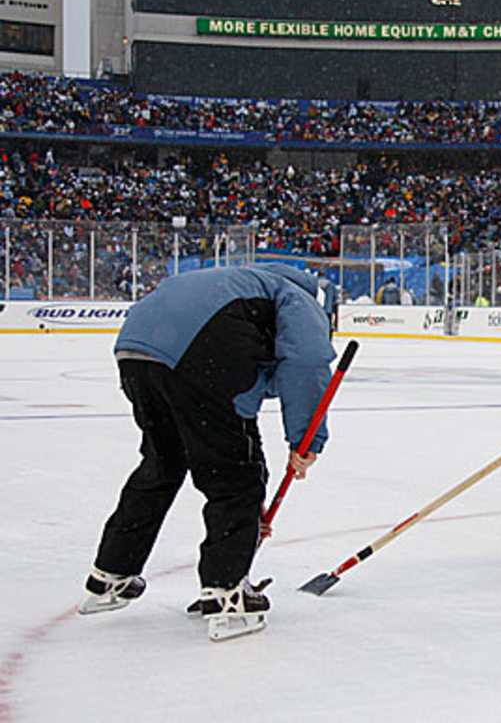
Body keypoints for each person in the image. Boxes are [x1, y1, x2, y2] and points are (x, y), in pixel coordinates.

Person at [79, 264, 336, 641]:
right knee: (235, 475)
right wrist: (305, 442)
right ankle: (226, 591)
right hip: (200, 354)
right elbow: (307, 363)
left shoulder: (241, 286)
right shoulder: (296, 296)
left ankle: (112, 573)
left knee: (162, 463)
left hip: (137, 350)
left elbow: (255, 381)